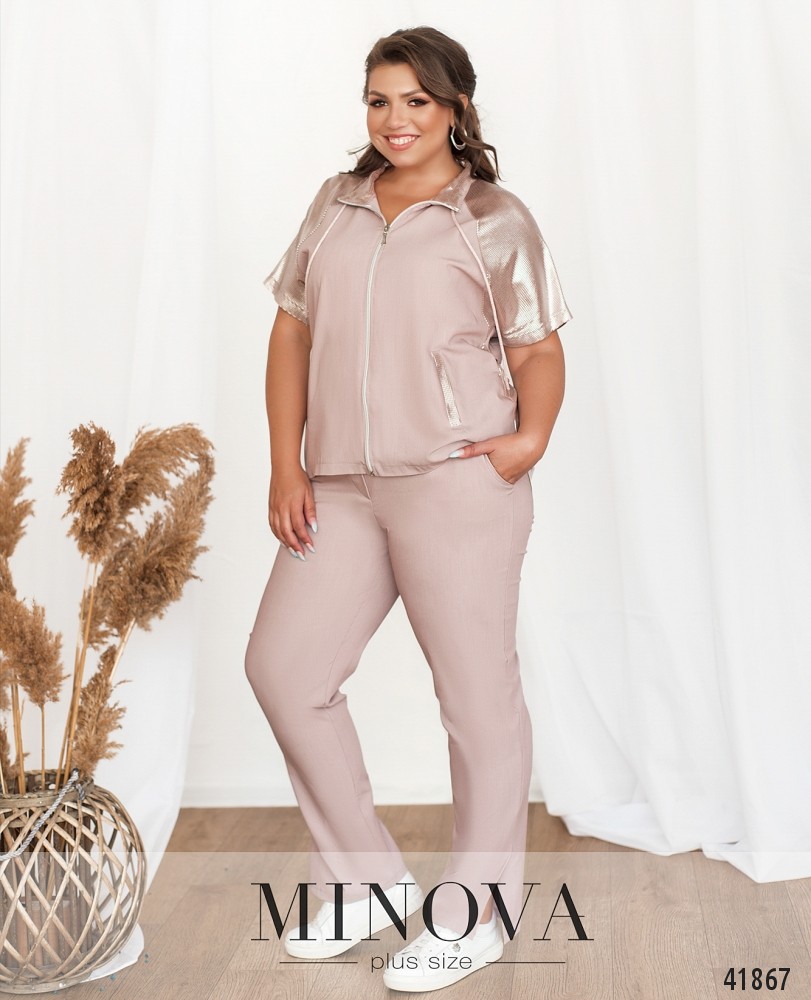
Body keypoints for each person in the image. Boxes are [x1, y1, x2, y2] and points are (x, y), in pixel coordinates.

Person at [245, 25, 573, 993]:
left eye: (415, 102)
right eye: (379, 100)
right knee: (283, 669)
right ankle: (364, 881)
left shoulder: (492, 217)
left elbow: (537, 348)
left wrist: (526, 441)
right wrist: (286, 464)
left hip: (455, 485)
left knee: (475, 699)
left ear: (455, 108)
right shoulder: (336, 203)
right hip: (339, 486)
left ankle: (477, 912)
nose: (394, 120)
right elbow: (291, 330)